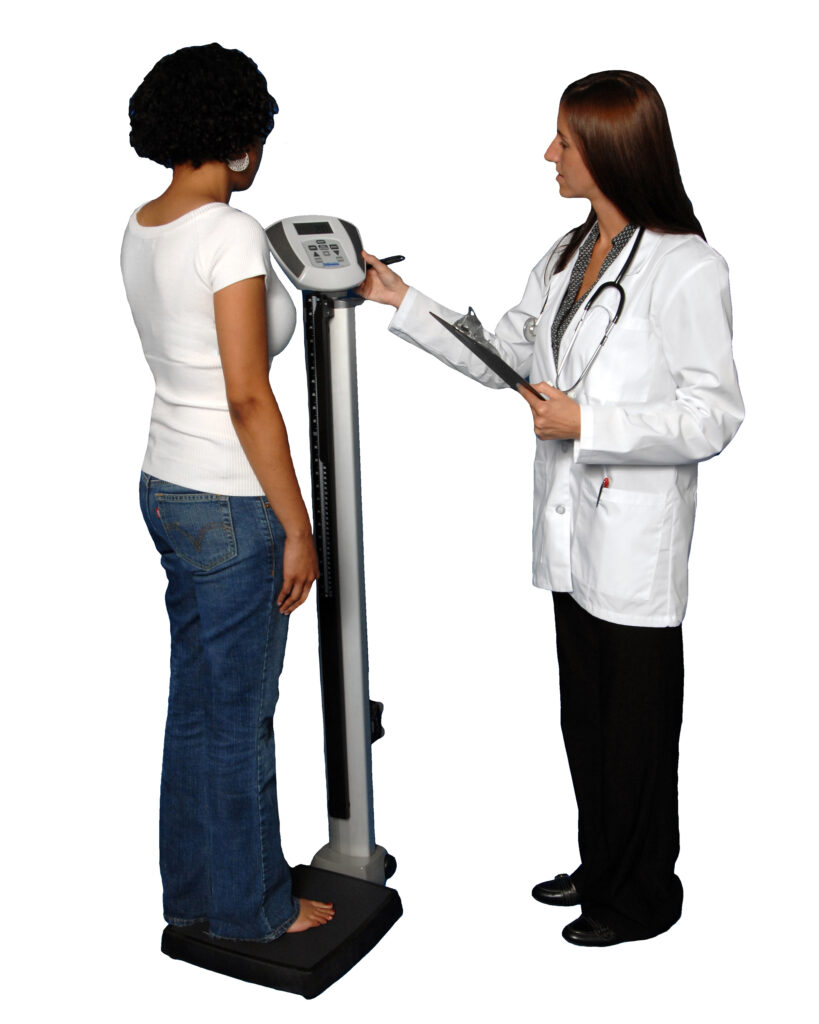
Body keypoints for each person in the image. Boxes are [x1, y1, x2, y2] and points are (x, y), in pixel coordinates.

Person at [359, 70, 743, 946]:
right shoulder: (568, 257)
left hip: (635, 545)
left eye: (562, 142)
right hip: (573, 537)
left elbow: (713, 415)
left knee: (635, 736)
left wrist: (589, 424)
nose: (548, 155)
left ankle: (641, 897)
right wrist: (399, 299)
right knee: (586, 721)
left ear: (607, 150)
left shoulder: (686, 267)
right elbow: (507, 352)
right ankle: (602, 863)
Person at [122, 43, 334, 942]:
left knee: (197, 708)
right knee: (240, 718)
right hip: (233, 500)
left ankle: (196, 896)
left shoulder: (144, 224)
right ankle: (255, 909)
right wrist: (298, 527)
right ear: (241, 136)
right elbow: (248, 396)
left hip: (166, 485)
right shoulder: (229, 233)